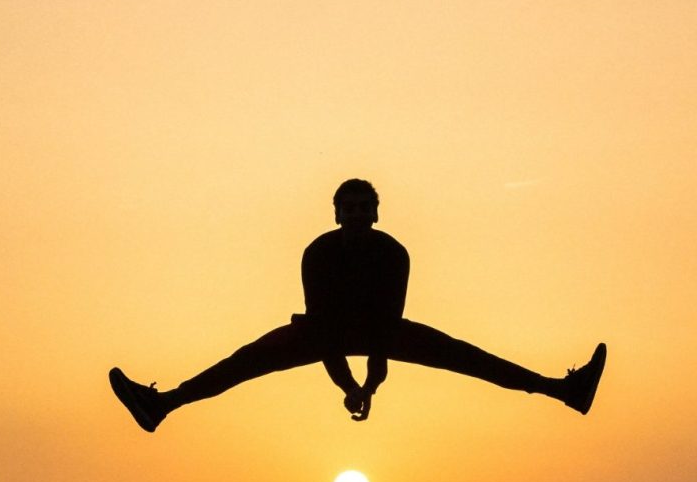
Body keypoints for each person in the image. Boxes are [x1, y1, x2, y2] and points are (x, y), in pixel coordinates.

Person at [109, 178, 606, 432]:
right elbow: (325, 336)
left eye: (363, 207)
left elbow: (386, 333)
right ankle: (161, 405)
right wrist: (350, 387)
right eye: (348, 208)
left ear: (375, 212)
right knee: (243, 363)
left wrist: (370, 382)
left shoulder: (394, 253)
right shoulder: (317, 253)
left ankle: (566, 391)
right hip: (320, 333)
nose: (356, 214)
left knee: (470, 358)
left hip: (381, 332)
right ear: (336, 213)